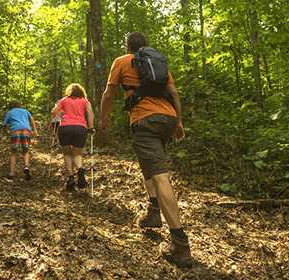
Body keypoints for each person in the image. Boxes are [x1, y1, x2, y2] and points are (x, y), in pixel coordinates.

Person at [98, 32, 192, 267]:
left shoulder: (121, 61)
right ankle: (152, 213)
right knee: (149, 167)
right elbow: (174, 93)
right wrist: (178, 122)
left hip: (144, 120)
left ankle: (180, 246)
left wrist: (103, 121)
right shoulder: (158, 64)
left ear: (127, 46)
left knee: (160, 177)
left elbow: (108, 94)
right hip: (167, 119)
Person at [52, 83, 95, 192]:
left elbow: (54, 112)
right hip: (80, 128)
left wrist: (60, 111)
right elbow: (90, 113)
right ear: (81, 92)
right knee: (77, 153)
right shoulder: (85, 101)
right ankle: (80, 171)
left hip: (65, 127)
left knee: (67, 153)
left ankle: (71, 177)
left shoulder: (64, 100)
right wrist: (91, 127)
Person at [2, 100, 39, 181]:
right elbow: (32, 119)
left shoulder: (10, 112)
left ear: (11, 106)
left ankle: (11, 173)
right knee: (25, 151)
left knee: (13, 152)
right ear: (20, 105)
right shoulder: (25, 111)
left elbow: (4, 124)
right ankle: (26, 166)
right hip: (26, 131)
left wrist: (6, 132)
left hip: (16, 131)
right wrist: (35, 131)